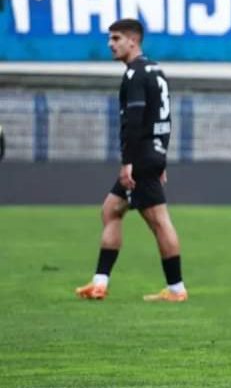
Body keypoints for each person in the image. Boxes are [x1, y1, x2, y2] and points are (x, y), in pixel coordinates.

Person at [75, 19, 186, 302]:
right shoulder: (156, 70)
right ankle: (99, 283)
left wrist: (128, 163)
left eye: (115, 39)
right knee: (111, 210)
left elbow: (135, 122)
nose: (110, 45)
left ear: (132, 41)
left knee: (159, 221)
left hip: (140, 158)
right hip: (152, 154)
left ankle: (176, 289)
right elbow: (164, 119)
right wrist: (161, 158)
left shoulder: (135, 75)